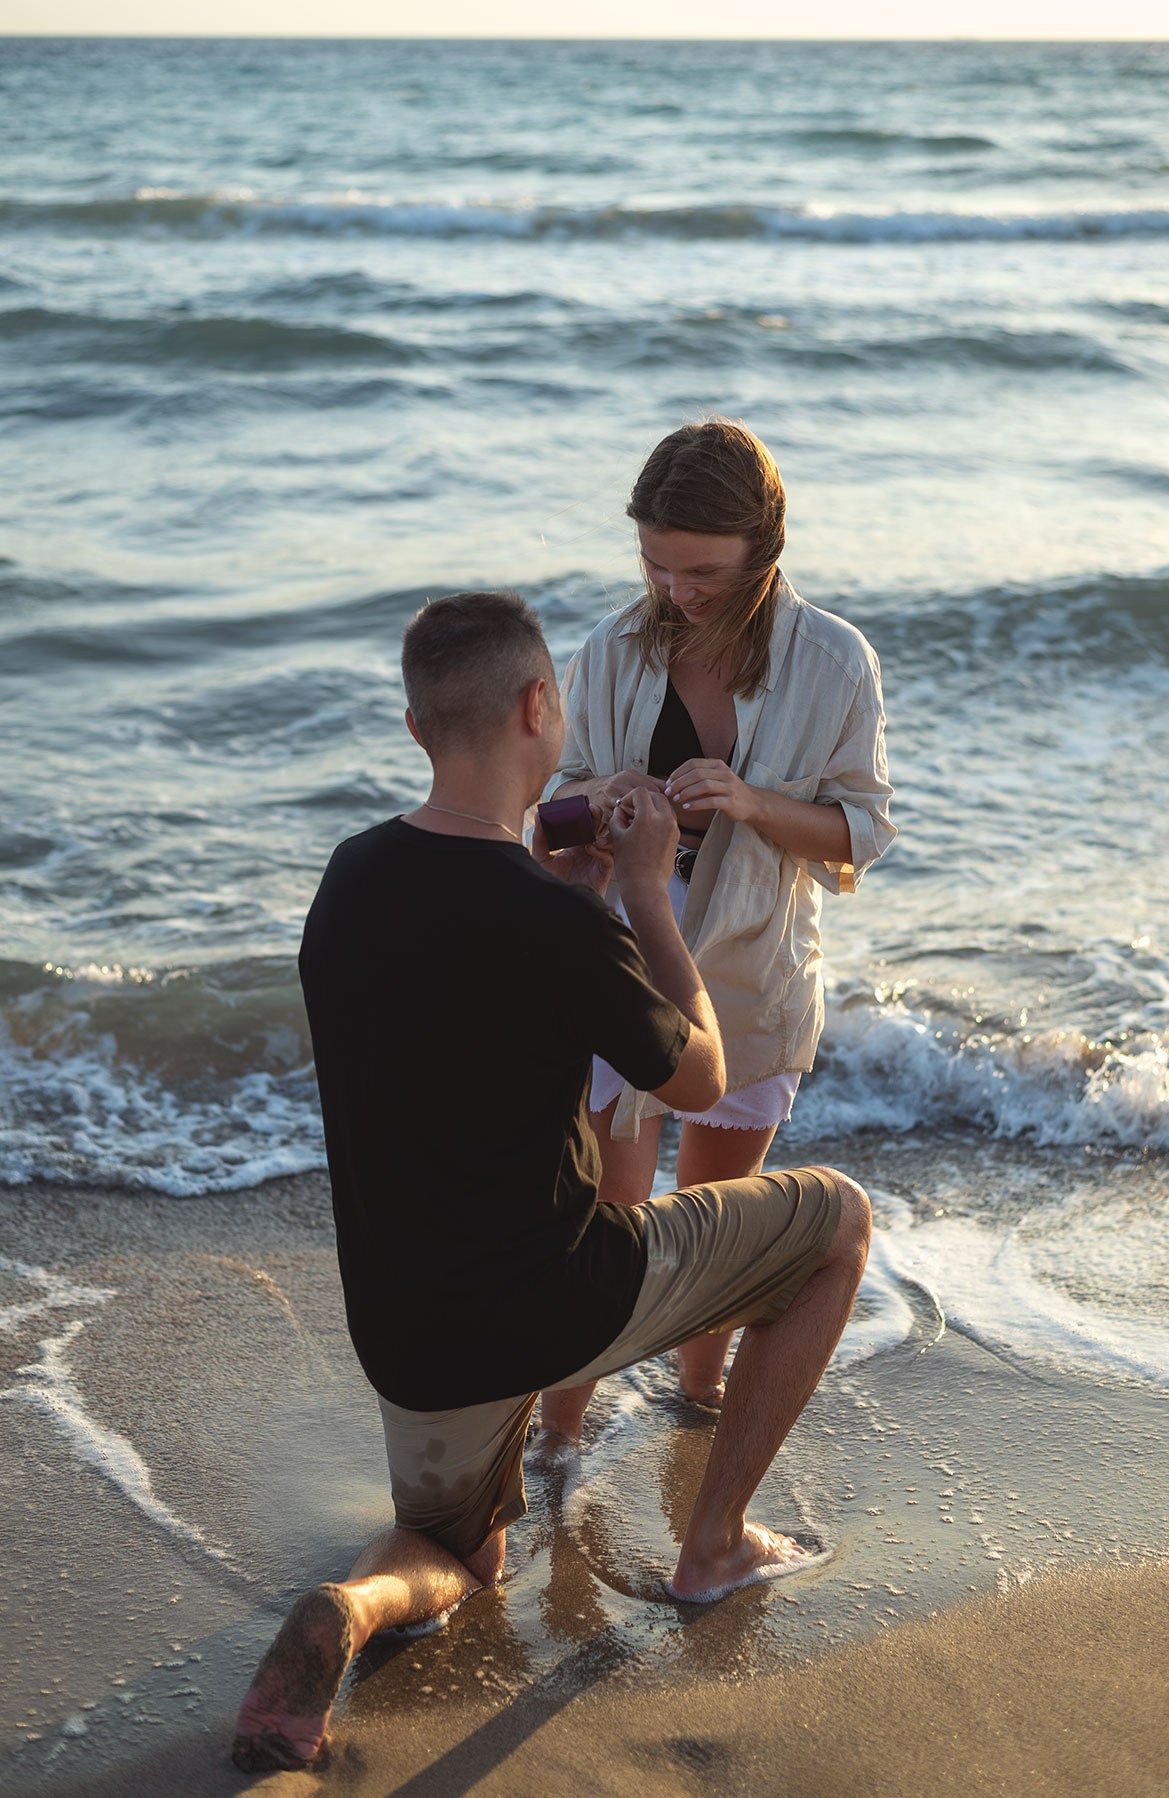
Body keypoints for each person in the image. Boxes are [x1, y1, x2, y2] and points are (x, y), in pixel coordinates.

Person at [231, 590, 871, 1775]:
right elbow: (705, 1077)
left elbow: (462, 1028)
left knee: (456, 1557)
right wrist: (636, 899)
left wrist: (572, 912)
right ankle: (715, 1544)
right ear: (540, 707)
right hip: (557, 1297)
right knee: (838, 1223)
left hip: (410, 1325)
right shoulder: (558, 925)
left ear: (418, 727)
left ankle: (354, 1606)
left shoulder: (349, 878)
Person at [535, 419, 894, 1450]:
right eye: (655, 561)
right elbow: (547, 815)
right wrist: (599, 793)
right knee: (602, 1222)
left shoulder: (834, 661)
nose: (675, 588)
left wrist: (749, 800)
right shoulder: (611, 645)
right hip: (617, 968)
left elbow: (860, 829)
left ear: (762, 549)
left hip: (751, 977)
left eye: (702, 569)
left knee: (718, 1225)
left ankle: (695, 1412)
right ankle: (561, 1430)